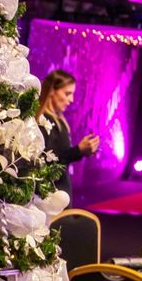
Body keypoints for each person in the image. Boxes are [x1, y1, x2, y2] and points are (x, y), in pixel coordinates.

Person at [36, 68, 99, 200]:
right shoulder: (43, 122)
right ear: (52, 90)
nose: (71, 100)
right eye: (67, 93)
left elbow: (62, 158)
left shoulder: (60, 121)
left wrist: (82, 151)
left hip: (61, 192)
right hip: (50, 197)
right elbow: (46, 163)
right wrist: (78, 150)